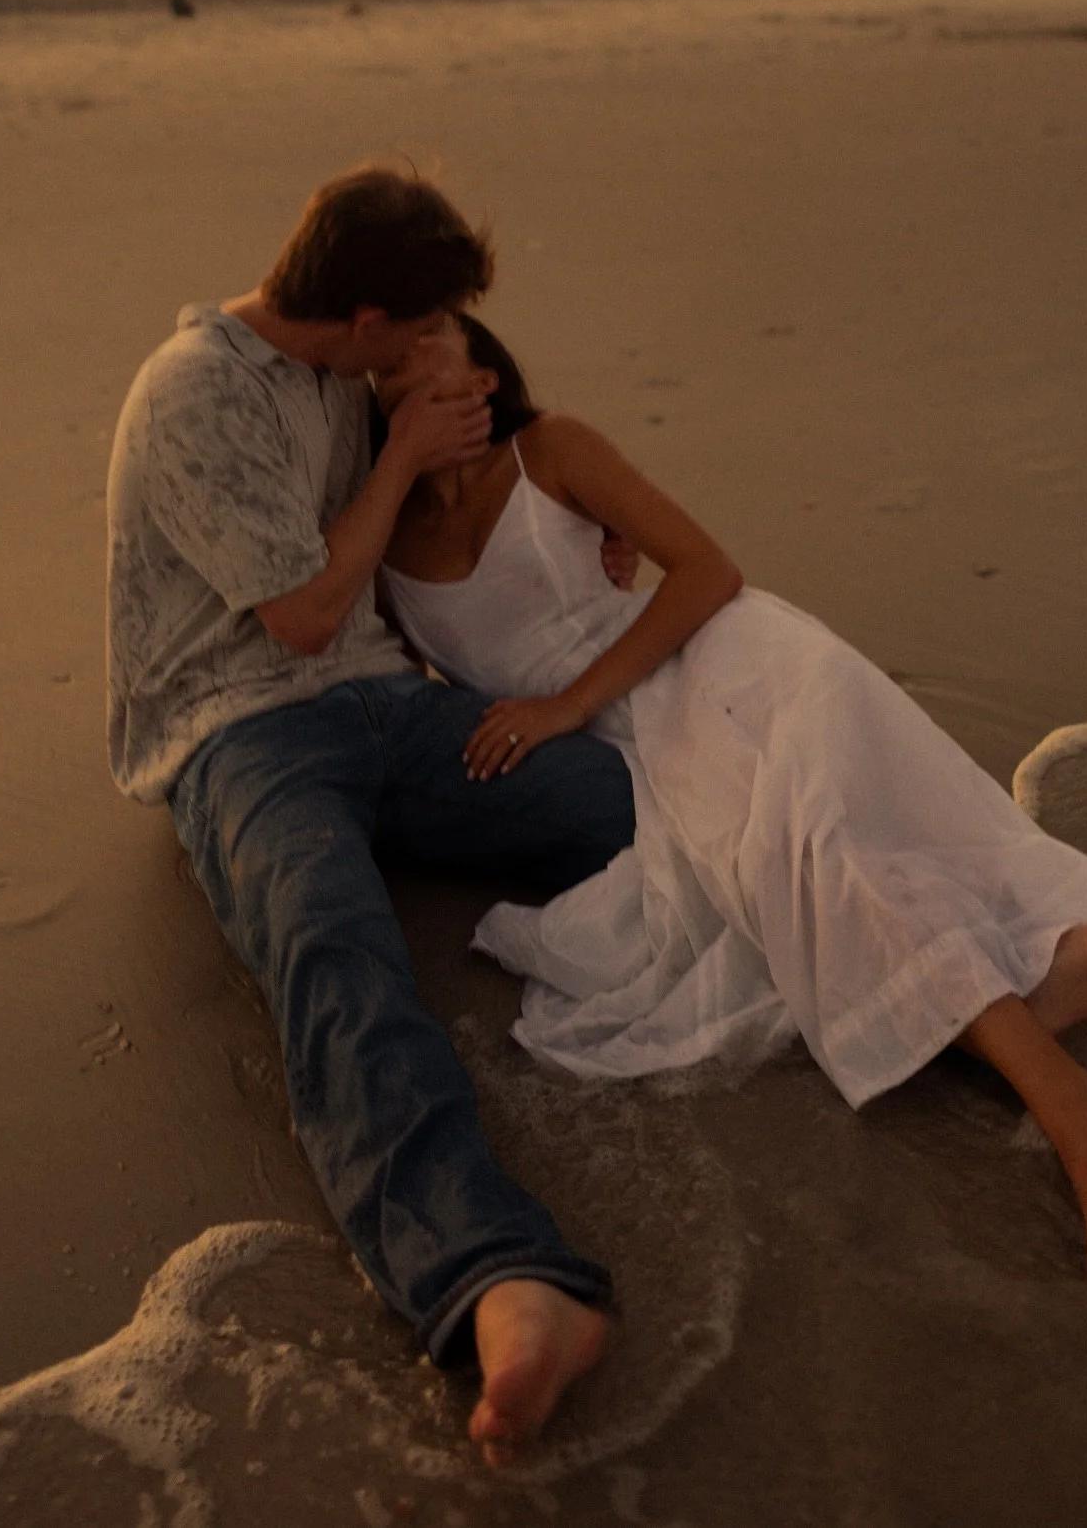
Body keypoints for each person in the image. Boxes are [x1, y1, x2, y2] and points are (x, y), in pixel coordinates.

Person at [373, 310, 1087, 1299]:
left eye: (432, 333)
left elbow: (707, 571)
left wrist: (568, 701)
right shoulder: (387, 554)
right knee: (929, 866)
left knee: (844, 851)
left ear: (485, 373)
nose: (407, 349)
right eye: (388, 350)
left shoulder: (550, 451)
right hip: (645, 745)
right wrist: (399, 472)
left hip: (735, 660)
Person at [106, 167, 643, 1465]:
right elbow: (295, 612)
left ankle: (929, 971)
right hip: (238, 728)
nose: (426, 347)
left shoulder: (354, 373)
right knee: (338, 957)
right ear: (359, 319)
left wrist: (592, 524)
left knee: (630, 802)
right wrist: (401, 449)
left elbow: (487, 431)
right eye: (415, 327)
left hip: (389, 703)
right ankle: (503, 1281)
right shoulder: (193, 392)